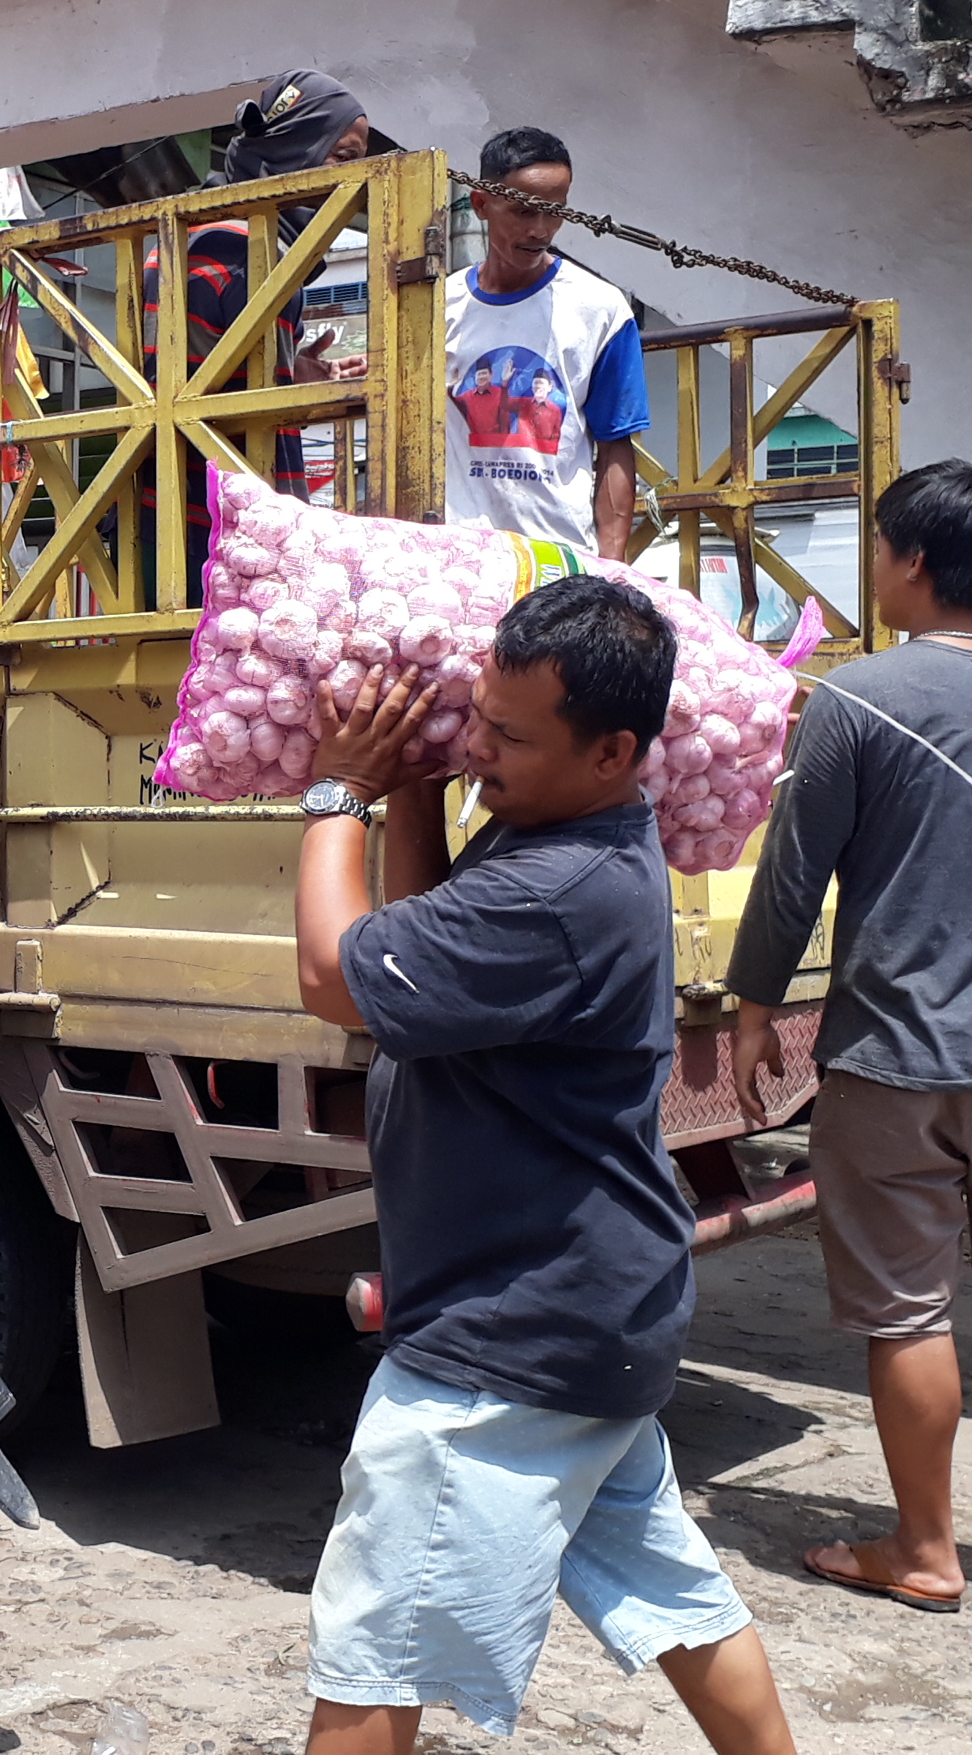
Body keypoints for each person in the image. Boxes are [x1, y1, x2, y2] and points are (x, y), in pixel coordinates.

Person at [290, 575, 795, 1755]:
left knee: (376, 1651)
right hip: (592, 1313)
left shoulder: (559, 890)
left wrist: (337, 793)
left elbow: (332, 974)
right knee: (678, 1602)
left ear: (614, 751)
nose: (482, 749)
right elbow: (417, 961)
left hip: (506, 1338)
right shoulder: (562, 841)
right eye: (480, 718)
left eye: (511, 737)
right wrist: (413, 792)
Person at [720, 461, 972, 1616]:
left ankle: (927, 1552)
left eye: (880, 547)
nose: (874, 566)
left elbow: (794, 879)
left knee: (908, 1309)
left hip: (893, 1055)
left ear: (915, 561)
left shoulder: (860, 698)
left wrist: (753, 1015)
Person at [140, 68, 378, 591]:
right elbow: (234, 398)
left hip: (174, 507)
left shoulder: (194, 230)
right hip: (224, 521)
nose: (354, 179)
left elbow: (217, 366)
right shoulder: (250, 249)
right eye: (342, 157)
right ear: (296, 147)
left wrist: (294, 371)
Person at [445, 128, 649, 561]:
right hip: (459, 553)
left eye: (555, 212)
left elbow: (615, 443)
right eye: (523, 211)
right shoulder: (436, 307)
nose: (540, 230)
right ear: (480, 204)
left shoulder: (600, 309)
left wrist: (612, 567)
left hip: (558, 556)